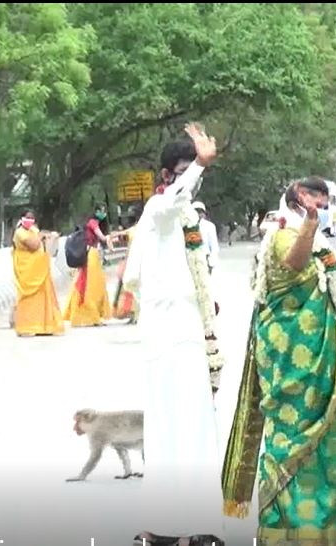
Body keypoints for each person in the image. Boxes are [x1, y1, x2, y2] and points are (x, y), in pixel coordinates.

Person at [222, 177, 336, 545]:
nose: (327, 205)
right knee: (293, 440)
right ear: (302, 197)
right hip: (292, 358)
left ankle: (335, 521)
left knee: (334, 440)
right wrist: (312, 224)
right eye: (320, 198)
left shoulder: (311, 235)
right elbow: (294, 262)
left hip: (323, 352)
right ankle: (292, 526)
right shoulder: (284, 233)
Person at [122, 123, 225, 546]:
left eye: (191, 172)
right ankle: (159, 528)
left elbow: (209, 280)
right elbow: (171, 204)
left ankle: (198, 528)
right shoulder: (157, 212)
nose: (185, 181)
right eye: (179, 172)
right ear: (166, 176)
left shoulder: (204, 227)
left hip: (192, 332)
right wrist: (198, 165)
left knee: (199, 427)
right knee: (167, 427)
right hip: (165, 334)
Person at [11, 211, 64, 337]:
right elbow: (34, 245)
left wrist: (51, 237)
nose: (30, 220)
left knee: (44, 296)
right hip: (27, 268)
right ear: (22, 219)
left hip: (39, 267)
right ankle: (27, 326)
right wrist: (41, 236)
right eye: (27, 218)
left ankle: (44, 325)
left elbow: (43, 244)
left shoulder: (34, 230)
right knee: (28, 298)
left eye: (32, 218)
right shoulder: (20, 233)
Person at [63, 204, 113, 327]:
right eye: (101, 211)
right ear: (95, 211)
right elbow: (101, 237)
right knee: (90, 284)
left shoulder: (95, 223)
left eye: (104, 211)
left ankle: (93, 315)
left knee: (93, 284)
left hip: (94, 254)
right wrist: (109, 238)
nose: (103, 213)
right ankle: (90, 315)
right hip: (91, 255)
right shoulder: (92, 223)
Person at [112, 221, 139, 324]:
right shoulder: (137, 229)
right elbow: (123, 236)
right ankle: (133, 313)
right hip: (132, 261)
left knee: (129, 288)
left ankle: (134, 313)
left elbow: (123, 236)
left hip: (134, 261)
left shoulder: (136, 229)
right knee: (129, 288)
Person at [193, 202, 219, 274]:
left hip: (204, 258)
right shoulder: (186, 226)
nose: (198, 214)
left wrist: (211, 262)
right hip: (191, 258)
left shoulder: (209, 226)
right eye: (196, 211)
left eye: (200, 211)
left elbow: (214, 245)